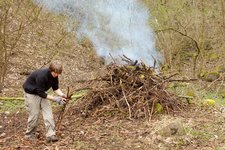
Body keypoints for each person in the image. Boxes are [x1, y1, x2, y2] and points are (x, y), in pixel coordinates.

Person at [23, 61, 66, 142]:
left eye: (58, 74)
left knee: (48, 113)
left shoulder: (55, 75)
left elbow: (55, 88)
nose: (57, 75)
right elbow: (41, 93)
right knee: (34, 115)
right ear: (51, 70)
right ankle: (29, 135)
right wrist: (55, 99)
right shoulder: (42, 76)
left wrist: (62, 95)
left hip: (42, 92)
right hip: (31, 93)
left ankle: (51, 135)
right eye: (55, 73)